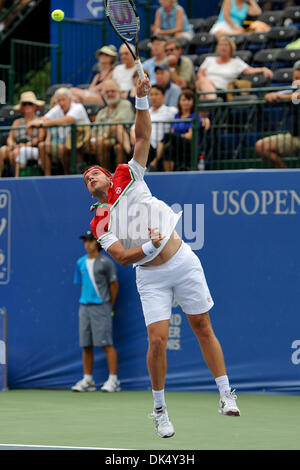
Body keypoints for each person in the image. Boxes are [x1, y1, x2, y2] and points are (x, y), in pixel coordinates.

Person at [83, 76, 240, 439]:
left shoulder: (129, 173)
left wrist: (141, 99)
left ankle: (225, 393)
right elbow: (122, 257)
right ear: (90, 192)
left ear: (108, 176)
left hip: (183, 261)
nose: (90, 175)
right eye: (85, 178)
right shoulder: (98, 220)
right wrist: (150, 249)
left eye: (94, 172)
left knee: (203, 327)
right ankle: (159, 409)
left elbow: (141, 136)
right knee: (156, 341)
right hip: (150, 277)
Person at [72, 230, 120, 393]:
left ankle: (114, 380)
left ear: (97, 243)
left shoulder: (106, 262)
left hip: (102, 307)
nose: (87, 244)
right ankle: (88, 380)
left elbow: (114, 286)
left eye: (91, 240)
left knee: (106, 343)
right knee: (86, 344)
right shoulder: (80, 263)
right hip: (84, 307)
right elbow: (82, 284)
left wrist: (108, 305)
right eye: (85, 241)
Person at [27, 87, 91, 175]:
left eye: (63, 100)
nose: (61, 103)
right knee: (42, 146)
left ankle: (67, 174)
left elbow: (66, 120)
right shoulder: (58, 108)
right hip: (66, 144)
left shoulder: (78, 107)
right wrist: (31, 123)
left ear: (70, 99)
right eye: (59, 100)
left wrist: (41, 124)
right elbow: (45, 118)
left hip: (82, 143)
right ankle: (47, 177)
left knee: (62, 148)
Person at [150, 89, 209, 172]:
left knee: (168, 136)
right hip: (177, 145)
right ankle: (168, 175)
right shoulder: (176, 116)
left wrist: (177, 137)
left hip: (190, 145)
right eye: (183, 100)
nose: (186, 102)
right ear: (179, 102)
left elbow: (190, 135)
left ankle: (154, 162)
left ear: (193, 102)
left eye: (189, 100)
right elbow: (173, 131)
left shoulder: (195, 116)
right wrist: (175, 137)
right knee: (168, 149)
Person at [255, 60, 300, 168]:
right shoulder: (291, 91)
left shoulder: (291, 94)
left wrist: (283, 97)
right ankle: (287, 174)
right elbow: (271, 95)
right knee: (262, 146)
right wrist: (270, 96)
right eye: (296, 76)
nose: (298, 76)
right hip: (295, 136)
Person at [196, 36, 273, 99]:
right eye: (221, 45)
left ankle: (207, 106)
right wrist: (206, 81)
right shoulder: (209, 60)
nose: (223, 47)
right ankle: (211, 102)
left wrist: (263, 69)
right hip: (205, 85)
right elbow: (200, 74)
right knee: (201, 83)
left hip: (222, 90)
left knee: (201, 91)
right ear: (217, 48)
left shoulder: (236, 62)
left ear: (231, 48)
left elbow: (249, 70)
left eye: (226, 45)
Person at [88, 79, 135, 171]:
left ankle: (115, 172)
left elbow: (116, 124)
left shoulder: (125, 104)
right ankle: (106, 172)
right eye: (107, 92)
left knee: (114, 146)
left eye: (113, 91)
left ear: (119, 92)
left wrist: (102, 137)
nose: (110, 94)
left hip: (121, 138)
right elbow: (94, 131)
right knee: (96, 143)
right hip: (103, 140)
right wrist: (93, 140)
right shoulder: (102, 112)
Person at [130, 84, 177, 168]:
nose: (153, 97)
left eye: (156, 94)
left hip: (161, 146)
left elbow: (186, 114)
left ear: (163, 96)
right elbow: (133, 129)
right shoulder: (145, 112)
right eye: (151, 94)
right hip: (145, 146)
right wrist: (136, 140)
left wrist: (203, 119)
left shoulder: (171, 111)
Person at [0, 91, 46, 177]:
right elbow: (10, 137)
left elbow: (40, 138)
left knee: (16, 153)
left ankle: (17, 179)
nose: (27, 106)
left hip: (32, 147)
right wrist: (12, 145)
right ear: (22, 107)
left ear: (35, 106)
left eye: (30, 104)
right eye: (25, 104)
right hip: (16, 146)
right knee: (2, 150)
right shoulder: (17, 122)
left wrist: (25, 145)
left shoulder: (40, 120)